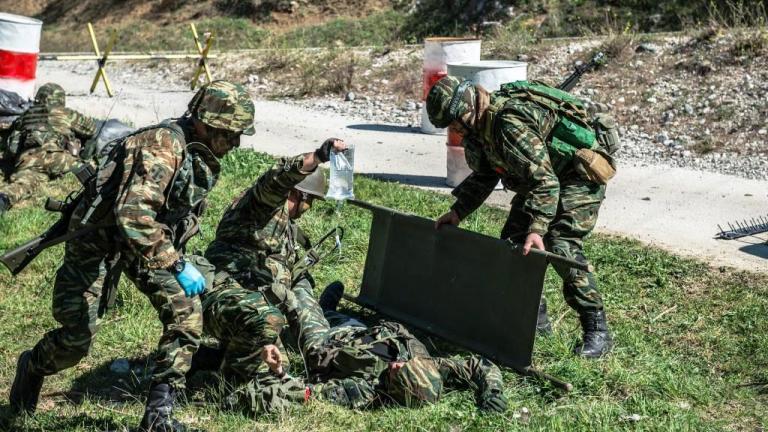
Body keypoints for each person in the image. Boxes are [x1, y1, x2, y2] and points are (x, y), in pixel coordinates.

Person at [8, 80, 256, 432]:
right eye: (230, 133)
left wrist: (173, 258)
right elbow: (132, 215)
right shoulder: (162, 147)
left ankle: (158, 416)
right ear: (206, 122)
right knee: (77, 339)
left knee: (186, 312)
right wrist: (178, 264)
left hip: (146, 242)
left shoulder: (197, 149)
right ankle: (32, 366)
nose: (234, 144)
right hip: (98, 240)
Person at [426, 75, 619, 359]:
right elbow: (485, 174)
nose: (454, 130)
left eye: (454, 122)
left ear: (466, 109)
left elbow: (546, 182)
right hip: (543, 180)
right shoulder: (478, 131)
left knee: (559, 242)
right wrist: (458, 212)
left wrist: (538, 228)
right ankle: (536, 323)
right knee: (513, 244)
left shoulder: (508, 124)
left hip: (576, 177)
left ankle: (597, 329)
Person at [195, 140, 347, 387]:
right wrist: (318, 156)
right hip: (234, 301)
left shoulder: (285, 225)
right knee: (270, 372)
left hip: (261, 303)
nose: (308, 209)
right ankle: (225, 385)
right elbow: (277, 179)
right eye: (309, 201)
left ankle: (323, 355)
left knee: (300, 288)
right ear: (297, 193)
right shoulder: (261, 205)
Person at [236, 281, 509, 412]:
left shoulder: (363, 392)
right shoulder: (431, 372)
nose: (396, 365)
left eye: (395, 373)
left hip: (326, 344)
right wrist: (492, 393)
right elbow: (480, 365)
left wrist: (281, 374)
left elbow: (307, 394)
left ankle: (303, 296)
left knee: (297, 296)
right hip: (361, 331)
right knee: (334, 314)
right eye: (403, 366)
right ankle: (328, 308)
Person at [0, 83, 97, 214]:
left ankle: (4, 199)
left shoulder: (26, 116)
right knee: (90, 174)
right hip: (58, 156)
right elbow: (91, 128)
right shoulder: (65, 113)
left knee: (23, 184)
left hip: (29, 158)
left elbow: (12, 147)